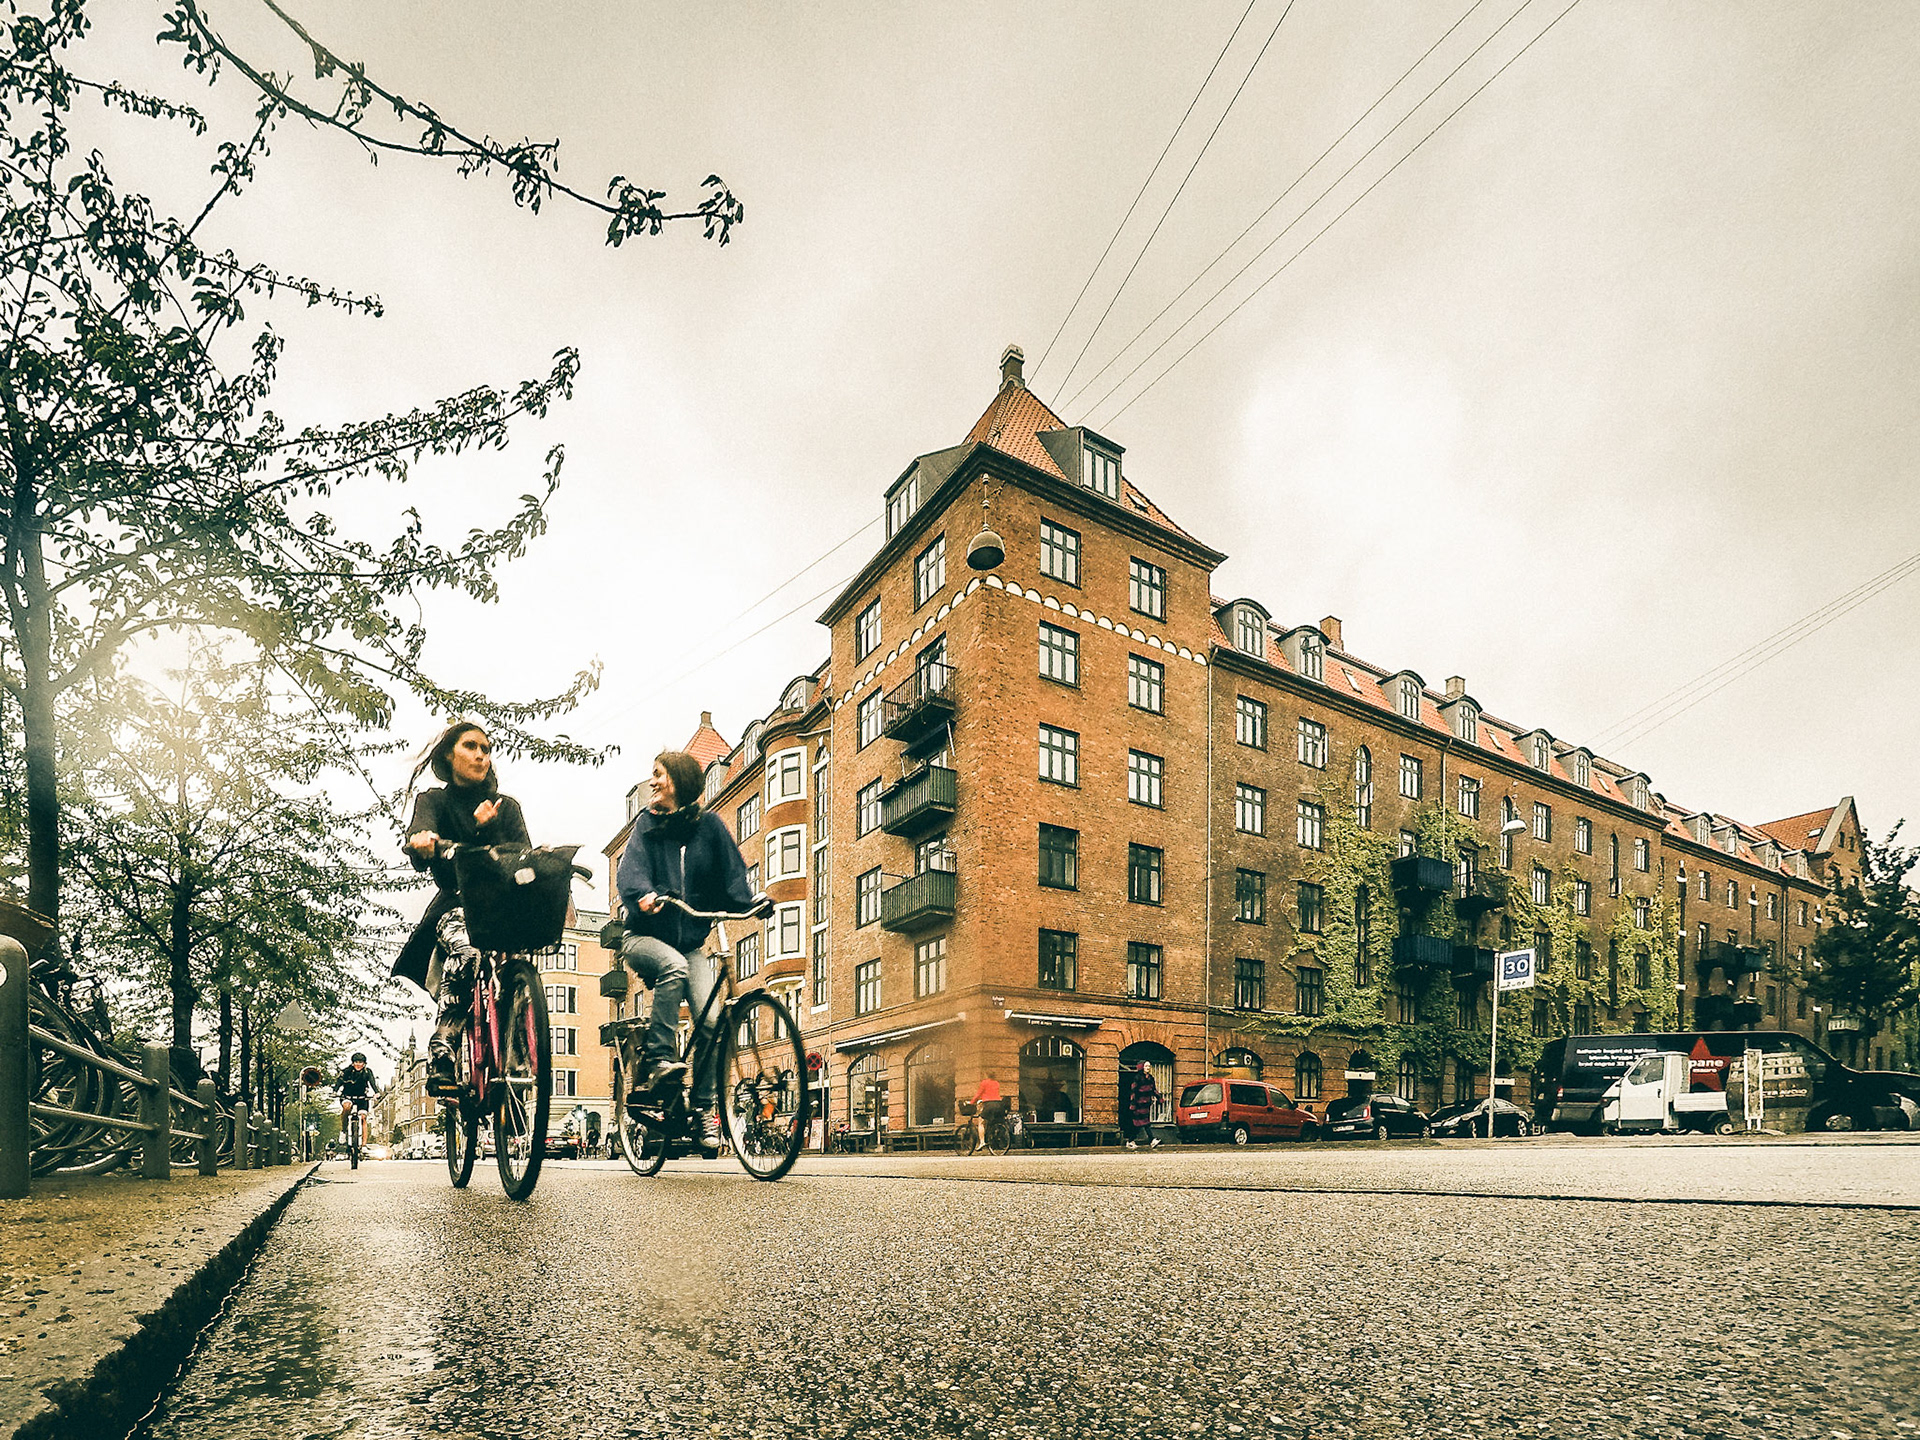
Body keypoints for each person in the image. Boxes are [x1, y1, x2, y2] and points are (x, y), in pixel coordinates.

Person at [614, 750, 753, 1159]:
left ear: (677, 780)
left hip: (691, 943)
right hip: (642, 937)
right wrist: (642, 896)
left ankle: (705, 1109)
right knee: (671, 968)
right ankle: (659, 1058)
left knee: (711, 1020)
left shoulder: (709, 825)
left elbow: (732, 873)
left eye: (658, 775)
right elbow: (630, 871)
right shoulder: (647, 825)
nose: (652, 782)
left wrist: (749, 901)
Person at [394, 720, 531, 1093]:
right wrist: (422, 841)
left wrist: (491, 830)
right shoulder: (434, 801)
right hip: (457, 902)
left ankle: (518, 1053)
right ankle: (444, 1046)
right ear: (449, 755)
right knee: (468, 951)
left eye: (486, 749)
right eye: (471, 746)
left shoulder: (507, 807)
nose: (481, 755)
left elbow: (521, 855)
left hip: (502, 906)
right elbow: (421, 838)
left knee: (521, 966)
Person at [335, 1053, 379, 1149]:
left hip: (362, 1098)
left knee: (363, 1118)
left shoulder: (367, 1072)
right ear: (352, 1063)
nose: (358, 1064)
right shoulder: (347, 1071)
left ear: (364, 1064)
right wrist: (335, 1091)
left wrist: (376, 1092)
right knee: (347, 1107)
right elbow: (339, 1081)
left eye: (360, 1062)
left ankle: (363, 1144)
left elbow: (372, 1082)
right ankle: (343, 1131)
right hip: (347, 1096)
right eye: (356, 1062)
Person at [1125, 1060, 1162, 1149]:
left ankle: (1131, 1140)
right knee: (1143, 1123)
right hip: (1138, 1104)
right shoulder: (1138, 1078)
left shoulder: (1150, 1078)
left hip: (1146, 1104)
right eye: (1146, 1066)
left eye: (1149, 1066)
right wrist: (1133, 1103)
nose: (1148, 1068)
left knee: (1141, 1124)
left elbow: (1153, 1089)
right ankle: (1151, 1140)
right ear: (1142, 1067)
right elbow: (1133, 1091)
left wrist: (1159, 1098)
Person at [970, 1071, 1006, 1152]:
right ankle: (994, 1135)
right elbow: (993, 1094)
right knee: (993, 1121)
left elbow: (979, 1093)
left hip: (989, 1104)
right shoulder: (997, 1083)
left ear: (986, 1075)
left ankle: (982, 1142)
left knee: (981, 1122)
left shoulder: (984, 1082)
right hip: (999, 1104)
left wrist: (972, 1102)